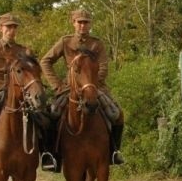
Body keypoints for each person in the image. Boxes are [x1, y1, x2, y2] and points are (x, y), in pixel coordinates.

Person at [0, 13, 56, 176]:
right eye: (8, 27)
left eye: (14, 27)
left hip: (22, 92)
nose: (11, 30)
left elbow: (35, 71)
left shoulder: (24, 50)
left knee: (45, 118)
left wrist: (36, 87)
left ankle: (46, 155)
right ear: (0, 28)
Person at [40, 9, 125, 168]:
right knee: (51, 115)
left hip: (94, 87)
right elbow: (45, 61)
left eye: (86, 22)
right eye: (79, 22)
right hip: (70, 88)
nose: (82, 25)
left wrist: (91, 84)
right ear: (73, 23)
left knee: (116, 114)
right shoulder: (65, 42)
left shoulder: (96, 43)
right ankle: (51, 154)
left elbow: (103, 67)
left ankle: (114, 152)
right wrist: (57, 85)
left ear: (90, 24)